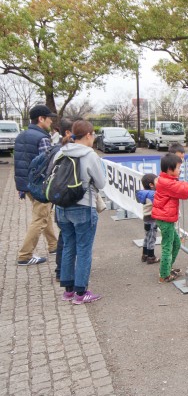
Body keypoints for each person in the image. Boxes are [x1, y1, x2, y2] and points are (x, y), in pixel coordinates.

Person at [56, 120, 106, 305]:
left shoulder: (61, 151)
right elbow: (101, 183)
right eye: (93, 135)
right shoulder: (90, 155)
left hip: (61, 206)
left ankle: (68, 291)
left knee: (69, 246)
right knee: (84, 249)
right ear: (88, 135)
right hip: (83, 205)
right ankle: (81, 292)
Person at [14, 104, 58, 266]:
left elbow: (19, 163)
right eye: (49, 118)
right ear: (41, 119)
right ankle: (25, 255)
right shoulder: (42, 138)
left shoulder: (21, 136)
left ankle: (54, 246)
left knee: (45, 215)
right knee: (40, 219)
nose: (51, 122)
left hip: (26, 184)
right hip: (40, 185)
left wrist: (21, 186)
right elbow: (48, 164)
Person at [152, 153, 188, 283]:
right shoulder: (167, 183)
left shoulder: (165, 180)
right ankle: (164, 275)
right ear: (170, 170)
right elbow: (186, 191)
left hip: (165, 218)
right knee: (168, 246)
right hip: (165, 219)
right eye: (178, 167)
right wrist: (187, 184)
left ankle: (167, 269)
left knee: (175, 243)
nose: (180, 170)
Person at [53, 118, 74, 281]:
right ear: (68, 132)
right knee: (70, 241)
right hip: (72, 202)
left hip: (59, 202)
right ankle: (67, 275)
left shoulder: (56, 150)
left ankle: (62, 271)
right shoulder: (74, 152)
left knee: (65, 238)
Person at [136, 173, 159, 264]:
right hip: (152, 219)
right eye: (157, 181)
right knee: (152, 238)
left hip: (146, 219)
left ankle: (144, 254)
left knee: (147, 237)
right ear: (151, 185)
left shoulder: (143, 194)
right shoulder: (152, 195)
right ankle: (151, 256)